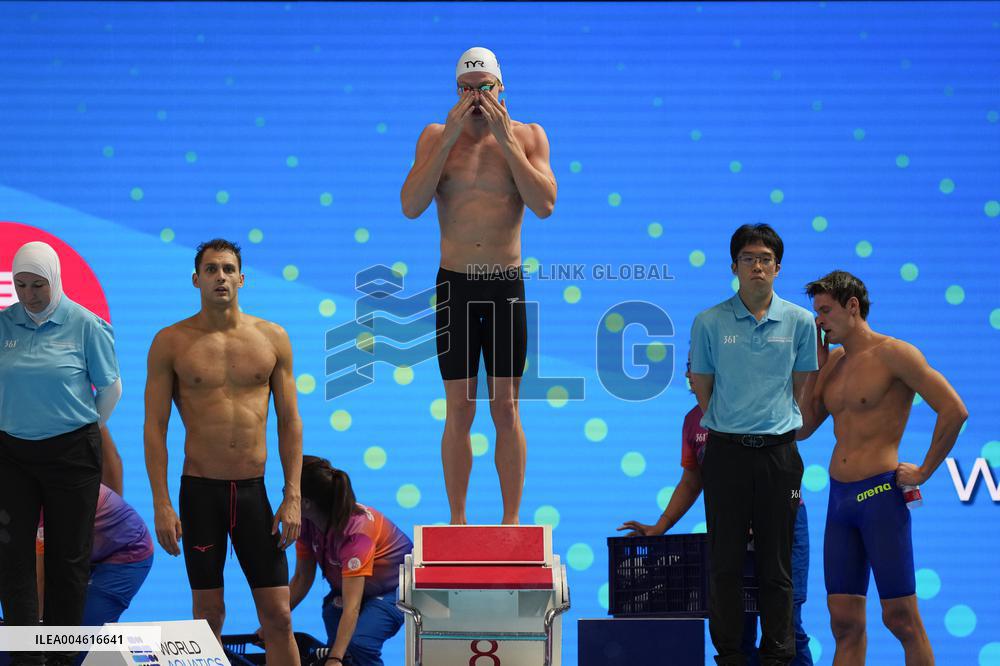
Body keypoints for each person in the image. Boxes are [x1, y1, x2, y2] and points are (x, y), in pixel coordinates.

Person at [400, 46, 557, 525]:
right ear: (456, 91)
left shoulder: (529, 136)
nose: (476, 98)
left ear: (501, 88)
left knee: (505, 409)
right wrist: (447, 141)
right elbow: (411, 205)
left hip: (503, 284)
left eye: (484, 87)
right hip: (455, 287)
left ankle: (511, 521)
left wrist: (508, 144)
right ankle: (458, 520)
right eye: (467, 89)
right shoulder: (434, 136)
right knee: (459, 409)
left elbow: (545, 204)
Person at [144, 238, 303, 664]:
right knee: (208, 616)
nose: (221, 277)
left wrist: (293, 495)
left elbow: (290, 422)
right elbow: (155, 429)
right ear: (196, 279)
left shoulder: (273, 339)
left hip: (254, 493)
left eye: (228, 269)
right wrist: (161, 503)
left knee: (279, 616)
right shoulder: (171, 342)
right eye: (211, 269)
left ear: (242, 278)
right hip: (199, 494)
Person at [798, 270, 967, 666]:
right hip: (840, 503)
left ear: (852, 306)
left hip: (880, 498)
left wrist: (924, 470)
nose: (819, 321)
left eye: (825, 310)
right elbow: (803, 428)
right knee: (843, 622)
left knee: (901, 619)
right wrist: (814, 369)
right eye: (816, 313)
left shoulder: (896, 354)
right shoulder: (833, 364)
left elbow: (954, 410)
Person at [618, 356, 813, 665]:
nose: (687, 373)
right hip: (732, 527)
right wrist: (661, 525)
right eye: (688, 366)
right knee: (737, 628)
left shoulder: (758, 410)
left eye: (695, 367)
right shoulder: (692, 421)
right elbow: (693, 477)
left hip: (781, 519)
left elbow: (790, 476)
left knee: (787, 625)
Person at [689, 224, 818, 666]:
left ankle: (778, 655)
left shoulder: (800, 322)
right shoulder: (709, 321)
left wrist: (768, 424)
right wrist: (732, 423)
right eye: (748, 258)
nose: (757, 265)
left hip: (780, 458)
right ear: (734, 267)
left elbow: (801, 387)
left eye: (765, 258)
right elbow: (703, 386)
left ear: (777, 268)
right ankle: (729, 656)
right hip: (725, 455)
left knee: (776, 563)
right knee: (723, 562)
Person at [0, 241, 121, 666]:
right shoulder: (3, 325)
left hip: (71, 454)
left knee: (68, 558)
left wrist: (82, 430)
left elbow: (110, 389)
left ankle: (62, 659)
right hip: (11, 454)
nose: (29, 294)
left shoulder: (86, 325)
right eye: (21, 284)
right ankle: (25, 659)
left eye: (38, 285)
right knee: (11, 556)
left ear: (55, 280)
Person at [268, 456, 412, 666]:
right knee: (332, 615)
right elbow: (301, 579)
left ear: (305, 503)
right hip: (357, 589)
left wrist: (335, 658)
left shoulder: (357, 535)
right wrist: (272, 622)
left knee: (359, 644)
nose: (283, 501)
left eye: (287, 495)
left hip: (394, 590)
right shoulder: (306, 523)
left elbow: (352, 608)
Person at [36, 479, 154, 666]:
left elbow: (39, 579)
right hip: (86, 552)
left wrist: (31, 633)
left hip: (126, 554)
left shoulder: (42, 501)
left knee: (78, 640)